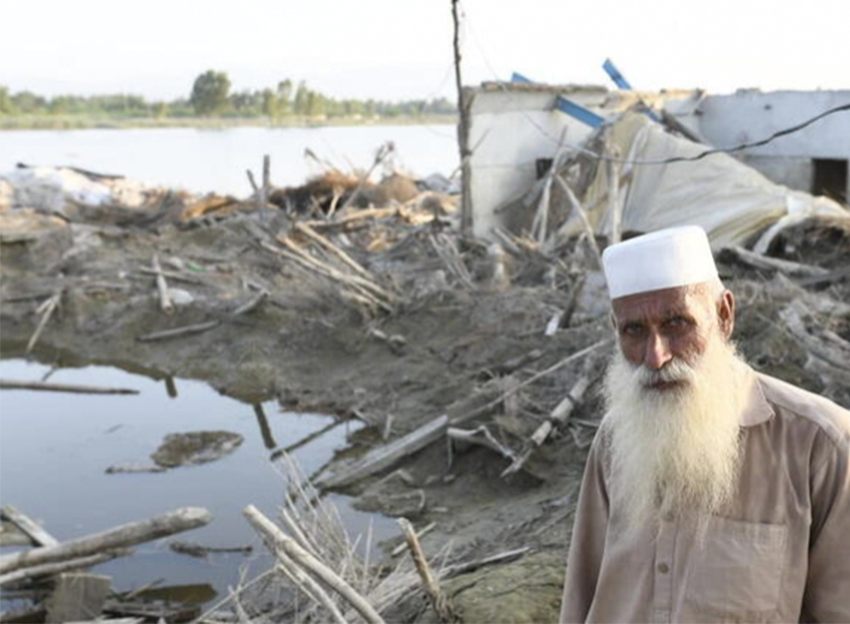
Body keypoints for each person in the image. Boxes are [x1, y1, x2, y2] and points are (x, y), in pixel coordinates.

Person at [559, 226, 850, 623]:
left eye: (677, 324)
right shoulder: (614, 440)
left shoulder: (823, 445)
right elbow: (582, 597)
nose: (656, 356)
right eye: (634, 331)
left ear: (724, 315)